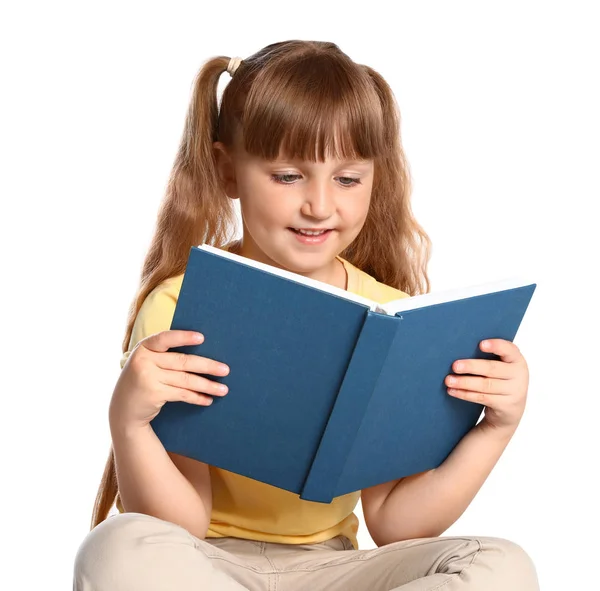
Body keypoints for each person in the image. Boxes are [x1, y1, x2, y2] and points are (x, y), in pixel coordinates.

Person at [73, 40, 539, 590]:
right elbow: (181, 523)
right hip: (205, 566)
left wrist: (495, 429)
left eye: (347, 179)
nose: (320, 206)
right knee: (116, 546)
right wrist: (129, 422)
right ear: (228, 172)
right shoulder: (182, 306)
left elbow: (395, 523)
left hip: (335, 568)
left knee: (502, 565)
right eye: (288, 176)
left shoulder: (392, 314)